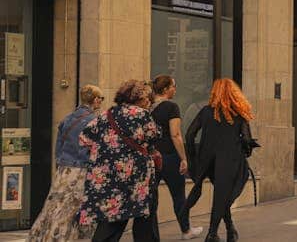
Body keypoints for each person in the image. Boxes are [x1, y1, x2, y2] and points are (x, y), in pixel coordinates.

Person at [79, 79, 160, 242]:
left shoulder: (106, 114)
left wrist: (107, 151)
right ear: (139, 98)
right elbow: (153, 137)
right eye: (147, 99)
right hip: (136, 175)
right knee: (144, 214)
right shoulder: (142, 114)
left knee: (112, 216)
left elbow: (84, 138)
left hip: (107, 175)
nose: (148, 103)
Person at [29, 85, 103, 241]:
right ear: (95, 100)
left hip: (64, 169)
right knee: (72, 208)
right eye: (101, 99)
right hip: (82, 170)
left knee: (55, 205)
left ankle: (43, 236)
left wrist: (60, 163)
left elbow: (59, 146)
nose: (101, 102)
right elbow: (96, 150)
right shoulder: (95, 121)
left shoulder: (67, 119)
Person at [185, 78, 255, 242]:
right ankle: (212, 233)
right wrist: (246, 152)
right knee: (224, 195)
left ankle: (230, 229)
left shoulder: (206, 111)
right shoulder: (239, 113)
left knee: (221, 195)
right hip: (230, 160)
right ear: (234, 93)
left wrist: (194, 155)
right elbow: (246, 140)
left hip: (209, 161)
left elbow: (189, 135)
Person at [151, 75, 205, 239]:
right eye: (173, 86)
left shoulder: (148, 107)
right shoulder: (171, 107)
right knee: (178, 195)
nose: (175, 89)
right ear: (166, 89)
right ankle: (186, 230)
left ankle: (152, 235)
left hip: (152, 157)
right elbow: (175, 134)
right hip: (170, 156)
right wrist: (184, 158)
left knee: (151, 199)